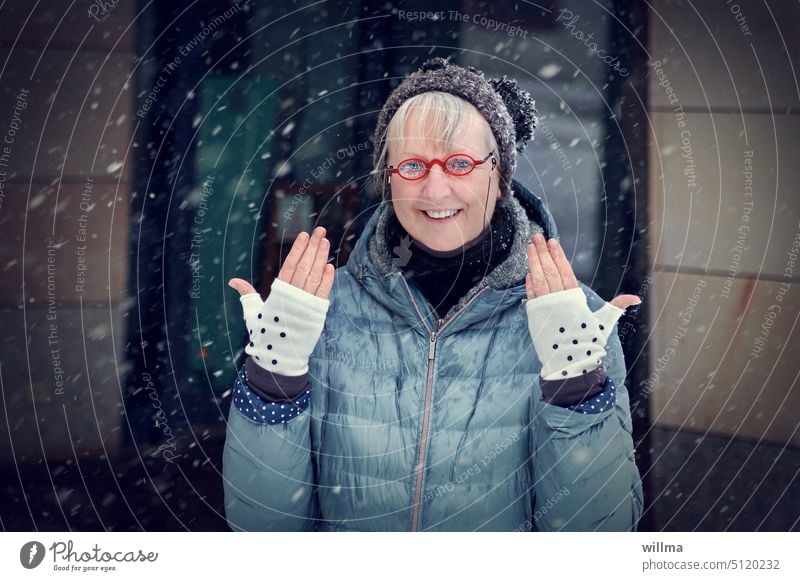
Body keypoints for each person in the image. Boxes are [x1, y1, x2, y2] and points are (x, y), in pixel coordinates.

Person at [223, 57, 644, 532]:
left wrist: (576, 391)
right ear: (388, 177)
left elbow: (598, 537)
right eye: (413, 164)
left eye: (460, 163)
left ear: (499, 173)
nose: (436, 187)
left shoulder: (573, 322)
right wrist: (271, 380)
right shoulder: (314, 311)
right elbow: (261, 529)